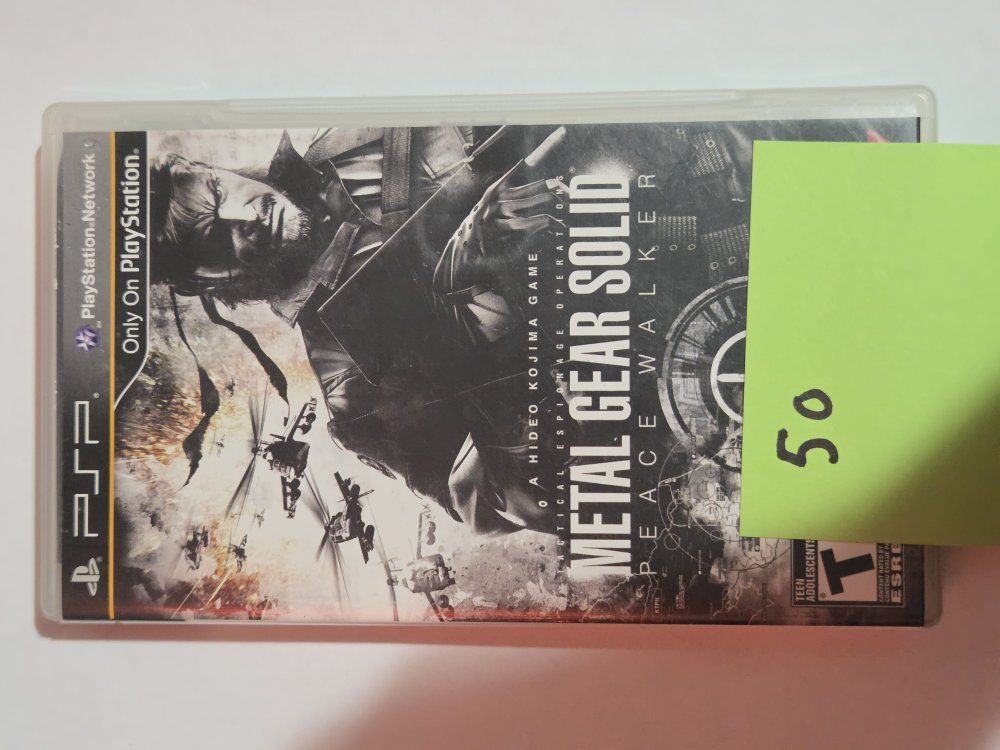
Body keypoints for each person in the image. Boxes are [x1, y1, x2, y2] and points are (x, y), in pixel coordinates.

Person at [152, 126, 565, 535]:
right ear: (205, 282)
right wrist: (470, 283)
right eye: (216, 238)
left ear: (214, 169)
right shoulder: (350, 383)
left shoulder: (352, 134)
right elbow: (517, 498)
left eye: (219, 191)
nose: (246, 216)